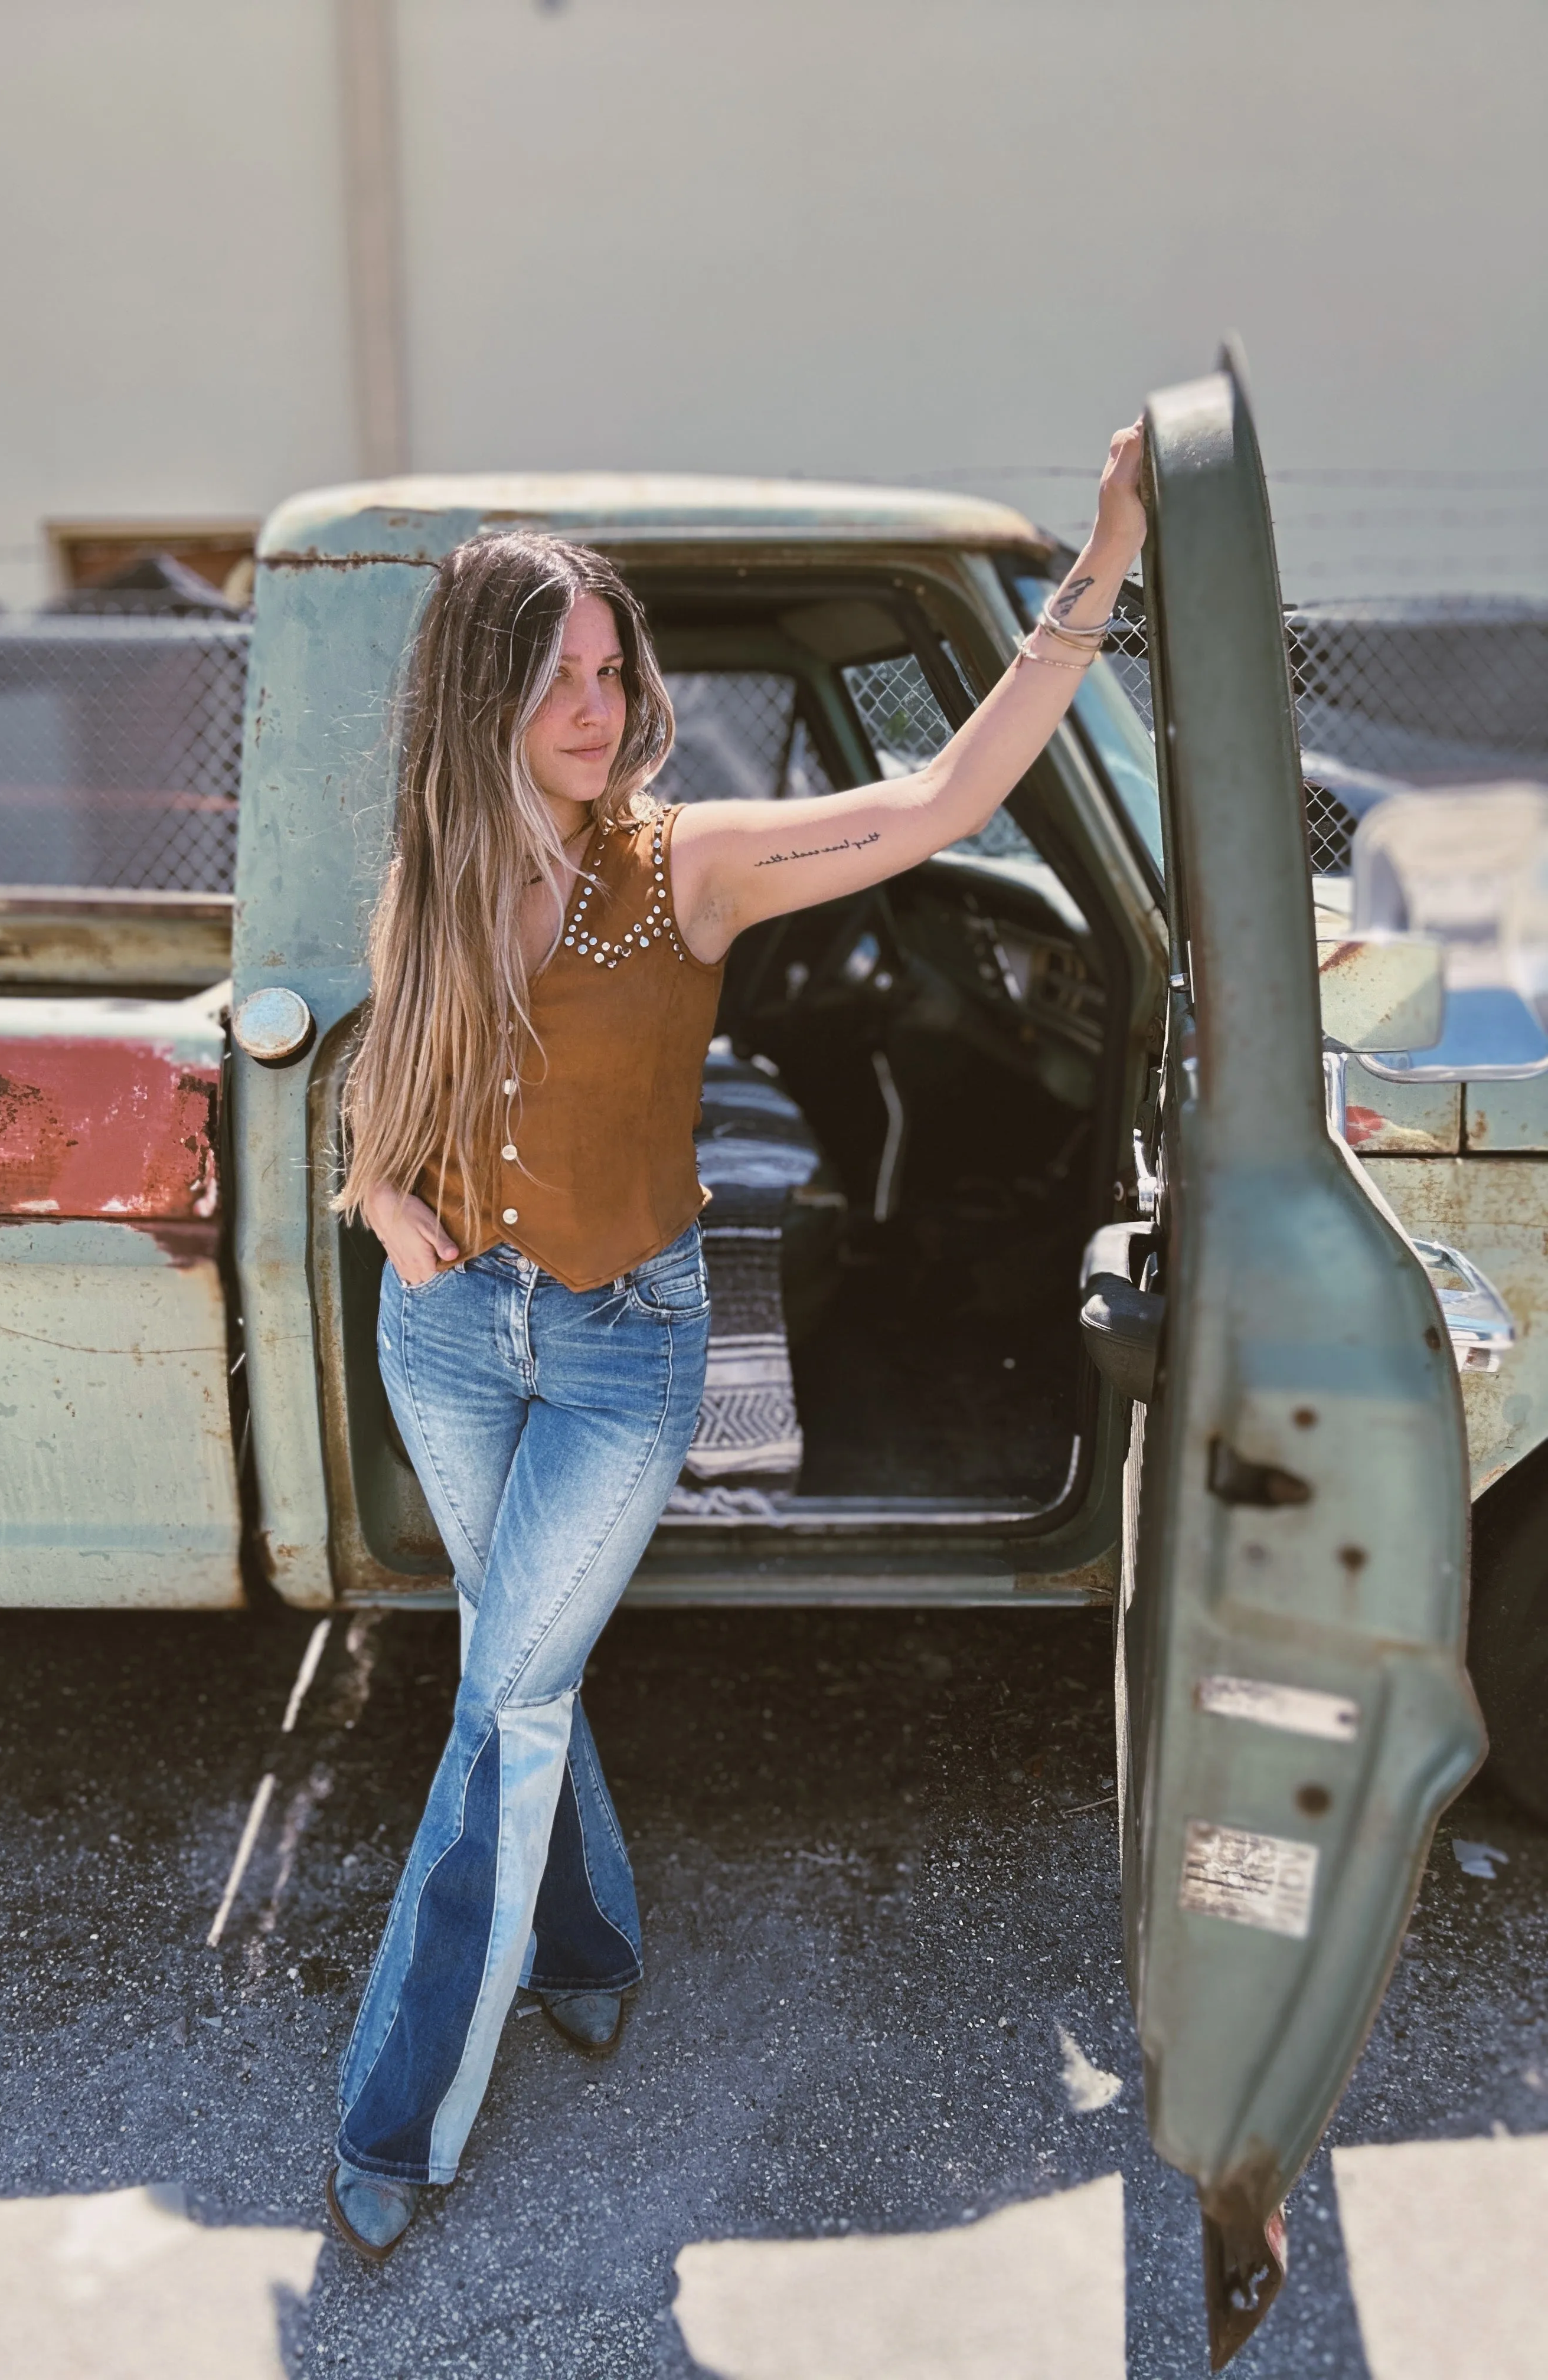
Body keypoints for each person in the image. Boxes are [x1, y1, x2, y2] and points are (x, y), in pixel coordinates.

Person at [324, 425, 1148, 2261]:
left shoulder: (684, 866)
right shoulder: (436, 870)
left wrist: (1095, 569)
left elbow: (938, 802)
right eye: (560, 677)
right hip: (448, 1335)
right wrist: (386, 1203)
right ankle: (593, 1940)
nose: (599, 706)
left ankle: (394, 2120)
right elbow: (385, 1091)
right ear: (483, 693)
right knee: (513, 1672)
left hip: (626, 1349)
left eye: (615, 671)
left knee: (509, 1696)